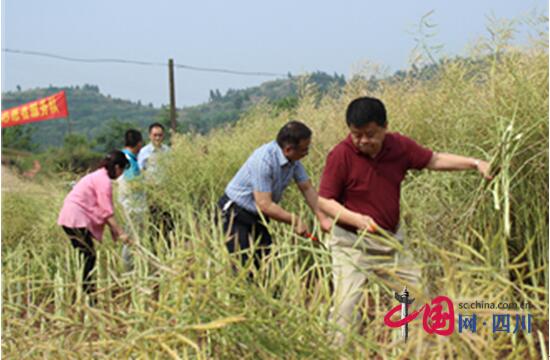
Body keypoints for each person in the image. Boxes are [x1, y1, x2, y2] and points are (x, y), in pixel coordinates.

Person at [318, 96, 492, 345]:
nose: (363, 141)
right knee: (346, 306)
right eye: (357, 134)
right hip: (350, 244)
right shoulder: (341, 155)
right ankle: (337, 352)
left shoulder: (398, 146)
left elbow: (434, 159)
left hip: (391, 242)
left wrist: (475, 163)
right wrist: (356, 219)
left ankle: (410, 349)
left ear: (384, 127)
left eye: (370, 134)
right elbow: (325, 201)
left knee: (414, 297)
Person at [218, 120, 331, 272]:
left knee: (268, 265)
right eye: (304, 150)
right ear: (289, 149)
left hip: (257, 217)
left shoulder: (293, 160)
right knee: (244, 269)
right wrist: (295, 220)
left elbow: (307, 188)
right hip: (235, 215)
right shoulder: (264, 160)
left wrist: (323, 218)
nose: (307, 153)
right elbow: (264, 204)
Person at [57, 150, 133, 297]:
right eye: (122, 170)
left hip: (71, 217)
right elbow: (106, 212)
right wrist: (121, 233)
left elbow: (104, 209)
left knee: (86, 255)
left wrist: (114, 231)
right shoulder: (104, 181)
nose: (121, 174)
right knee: (89, 256)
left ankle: (83, 291)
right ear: (117, 167)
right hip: (75, 218)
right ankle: (87, 294)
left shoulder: (98, 176)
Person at [137, 122, 174, 250]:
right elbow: (140, 172)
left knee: (168, 222)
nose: (157, 138)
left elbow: (172, 169)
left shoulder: (168, 151)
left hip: (166, 191)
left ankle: (168, 247)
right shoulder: (144, 152)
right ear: (150, 136)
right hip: (151, 192)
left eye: (160, 135)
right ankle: (154, 249)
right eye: (155, 135)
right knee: (154, 221)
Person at [118, 129, 145, 270]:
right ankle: (127, 271)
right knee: (130, 239)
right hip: (132, 206)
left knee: (134, 239)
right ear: (139, 143)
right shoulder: (128, 160)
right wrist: (147, 181)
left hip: (132, 205)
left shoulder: (126, 157)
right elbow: (133, 183)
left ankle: (133, 268)